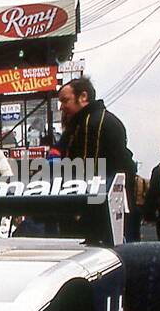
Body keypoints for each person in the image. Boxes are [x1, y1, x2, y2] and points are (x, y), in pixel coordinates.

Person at [57, 77, 138, 239]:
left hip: (95, 212)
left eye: (65, 100)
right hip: (111, 205)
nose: (62, 107)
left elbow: (89, 170)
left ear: (83, 97)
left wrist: (79, 208)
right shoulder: (94, 120)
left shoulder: (91, 123)